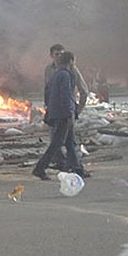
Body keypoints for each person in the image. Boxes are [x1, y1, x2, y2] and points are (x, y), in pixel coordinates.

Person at [34, 50, 87, 180]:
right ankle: (40, 168)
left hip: (58, 113)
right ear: (70, 61)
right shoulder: (65, 75)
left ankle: (78, 169)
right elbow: (66, 96)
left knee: (69, 142)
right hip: (64, 115)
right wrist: (70, 114)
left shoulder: (57, 74)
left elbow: (48, 93)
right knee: (57, 143)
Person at [43, 43, 88, 117]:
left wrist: (78, 109)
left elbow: (83, 90)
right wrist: (47, 106)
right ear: (51, 55)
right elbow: (47, 89)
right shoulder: (49, 69)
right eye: (57, 54)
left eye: (61, 54)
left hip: (67, 109)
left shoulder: (72, 69)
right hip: (53, 110)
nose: (60, 57)